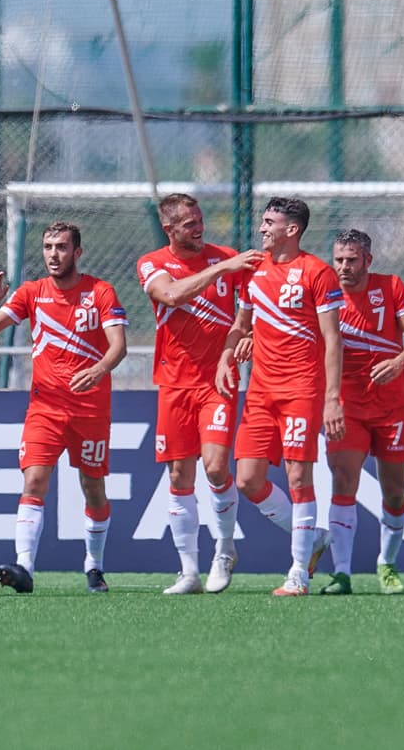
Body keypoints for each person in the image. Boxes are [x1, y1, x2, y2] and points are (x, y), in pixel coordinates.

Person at [0, 221, 128, 594]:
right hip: (45, 408)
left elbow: (118, 346)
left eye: (61, 247)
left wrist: (99, 369)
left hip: (90, 410)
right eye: (48, 247)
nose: (53, 254)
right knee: (34, 480)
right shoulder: (32, 292)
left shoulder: (100, 292)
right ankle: (24, 568)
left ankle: (94, 566)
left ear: (77, 252)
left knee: (93, 487)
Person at [216, 197, 345, 597]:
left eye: (270, 222)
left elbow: (332, 338)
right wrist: (226, 356)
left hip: (301, 390)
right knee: (248, 479)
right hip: (260, 391)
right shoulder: (252, 270)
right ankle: (315, 539)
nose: (262, 229)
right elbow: (241, 324)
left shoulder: (317, 272)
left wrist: (332, 397)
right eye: (262, 221)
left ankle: (298, 574)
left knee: (297, 477)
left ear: (293, 229)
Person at [136, 194, 258, 594]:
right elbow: (171, 295)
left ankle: (224, 550)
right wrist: (223, 267)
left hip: (217, 380)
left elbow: (253, 303)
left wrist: (246, 334)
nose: (199, 227)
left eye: (200, 219)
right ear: (169, 229)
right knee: (178, 474)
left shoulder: (225, 256)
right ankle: (188, 571)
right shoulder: (152, 263)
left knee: (217, 467)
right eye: (189, 224)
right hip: (173, 383)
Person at [321, 229, 404, 596]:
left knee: (395, 493)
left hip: (391, 406)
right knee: (343, 482)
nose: (344, 267)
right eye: (338, 260)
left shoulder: (391, 286)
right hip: (346, 406)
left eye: (352, 260)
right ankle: (342, 572)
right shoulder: (325, 292)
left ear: (368, 259)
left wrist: (399, 362)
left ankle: (387, 562)